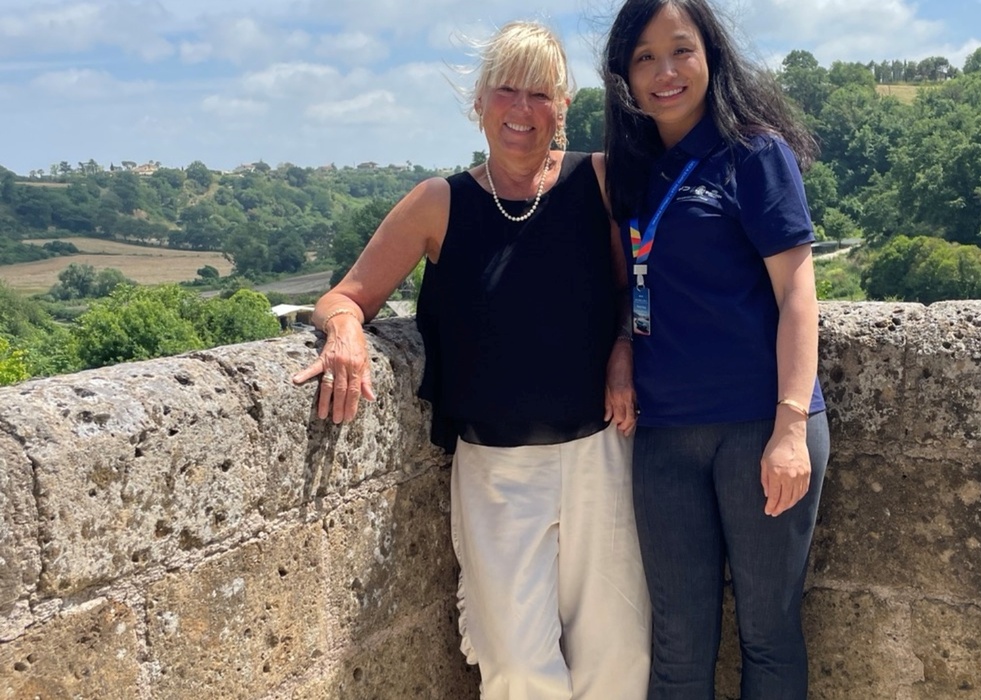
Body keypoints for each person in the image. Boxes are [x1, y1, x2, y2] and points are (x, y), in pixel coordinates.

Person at [292, 21, 650, 700]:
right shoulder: (440, 203)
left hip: (601, 453)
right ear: (479, 101)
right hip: (495, 469)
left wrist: (625, 348)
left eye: (540, 93)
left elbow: (633, 289)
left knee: (619, 659)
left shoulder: (599, 181)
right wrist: (343, 333)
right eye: (506, 90)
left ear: (563, 106)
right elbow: (346, 296)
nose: (522, 109)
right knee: (516, 668)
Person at [602, 0, 830, 697]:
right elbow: (636, 283)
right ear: (623, 75)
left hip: (759, 425)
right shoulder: (634, 168)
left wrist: (790, 427)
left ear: (711, 56)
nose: (665, 71)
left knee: (768, 636)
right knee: (676, 645)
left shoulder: (755, 154)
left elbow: (798, 295)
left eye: (681, 50)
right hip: (665, 434)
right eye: (644, 57)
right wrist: (621, 347)